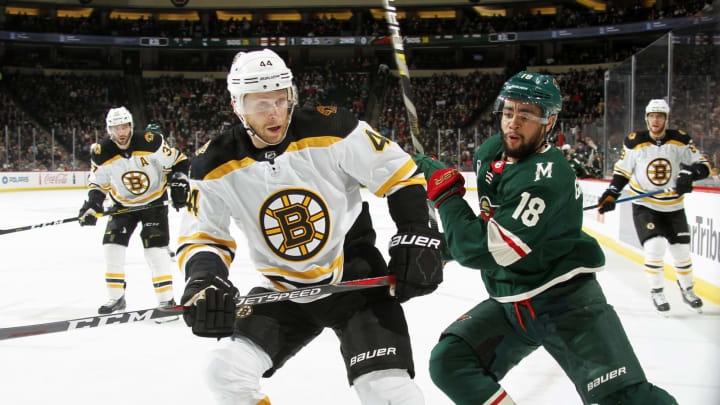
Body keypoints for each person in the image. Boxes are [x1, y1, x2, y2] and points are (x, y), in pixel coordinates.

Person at [177, 48, 443, 404]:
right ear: (237, 105)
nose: (273, 112)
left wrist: (417, 232)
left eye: (280, 99)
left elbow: (399, 174)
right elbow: (202, 235)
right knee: (224, 373)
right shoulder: (213, 164)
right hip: (285, 290)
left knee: (385, 390)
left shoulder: (333, 129)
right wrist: (204, 279)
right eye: (259, 104)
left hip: (356, 281)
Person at [413, 71, 678, 404]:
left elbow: (483, 249)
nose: (513, 123)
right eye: (509, 112)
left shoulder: (548, 175)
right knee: (451, 362)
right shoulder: (492, 152)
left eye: (526, 115)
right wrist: (438, 249)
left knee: (626, 398)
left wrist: (446, 195)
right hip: (512, 303)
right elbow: (489, 224)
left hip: (566, 305)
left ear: (549, 120)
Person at [597, 99, 710, 314]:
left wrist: (690, 174)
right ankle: (657, 291)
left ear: (666, 119)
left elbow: (703, 165)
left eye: (660, 116)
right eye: (652, 116)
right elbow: (623, 171)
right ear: (646, 118)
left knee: (681, 251)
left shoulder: (680, 140)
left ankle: (687, 289)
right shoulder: (634, 142)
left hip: (673, 206)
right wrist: (612, 193)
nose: (655, 120)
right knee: (655, 246)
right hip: (645, 205)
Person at [78, 106, 190, 317]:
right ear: (109, 130)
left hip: (153, 204)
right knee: (111, 246)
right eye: (115, 128)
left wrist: (179, 182)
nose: (121, 132)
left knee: (155, 251)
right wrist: (93, 204)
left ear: (131, 126)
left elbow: (179, 161)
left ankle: (166, 301)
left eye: (124, 126)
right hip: (122, 206)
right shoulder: (101, 152)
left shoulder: (151, 141)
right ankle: (116, 297)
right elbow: (98, 183)